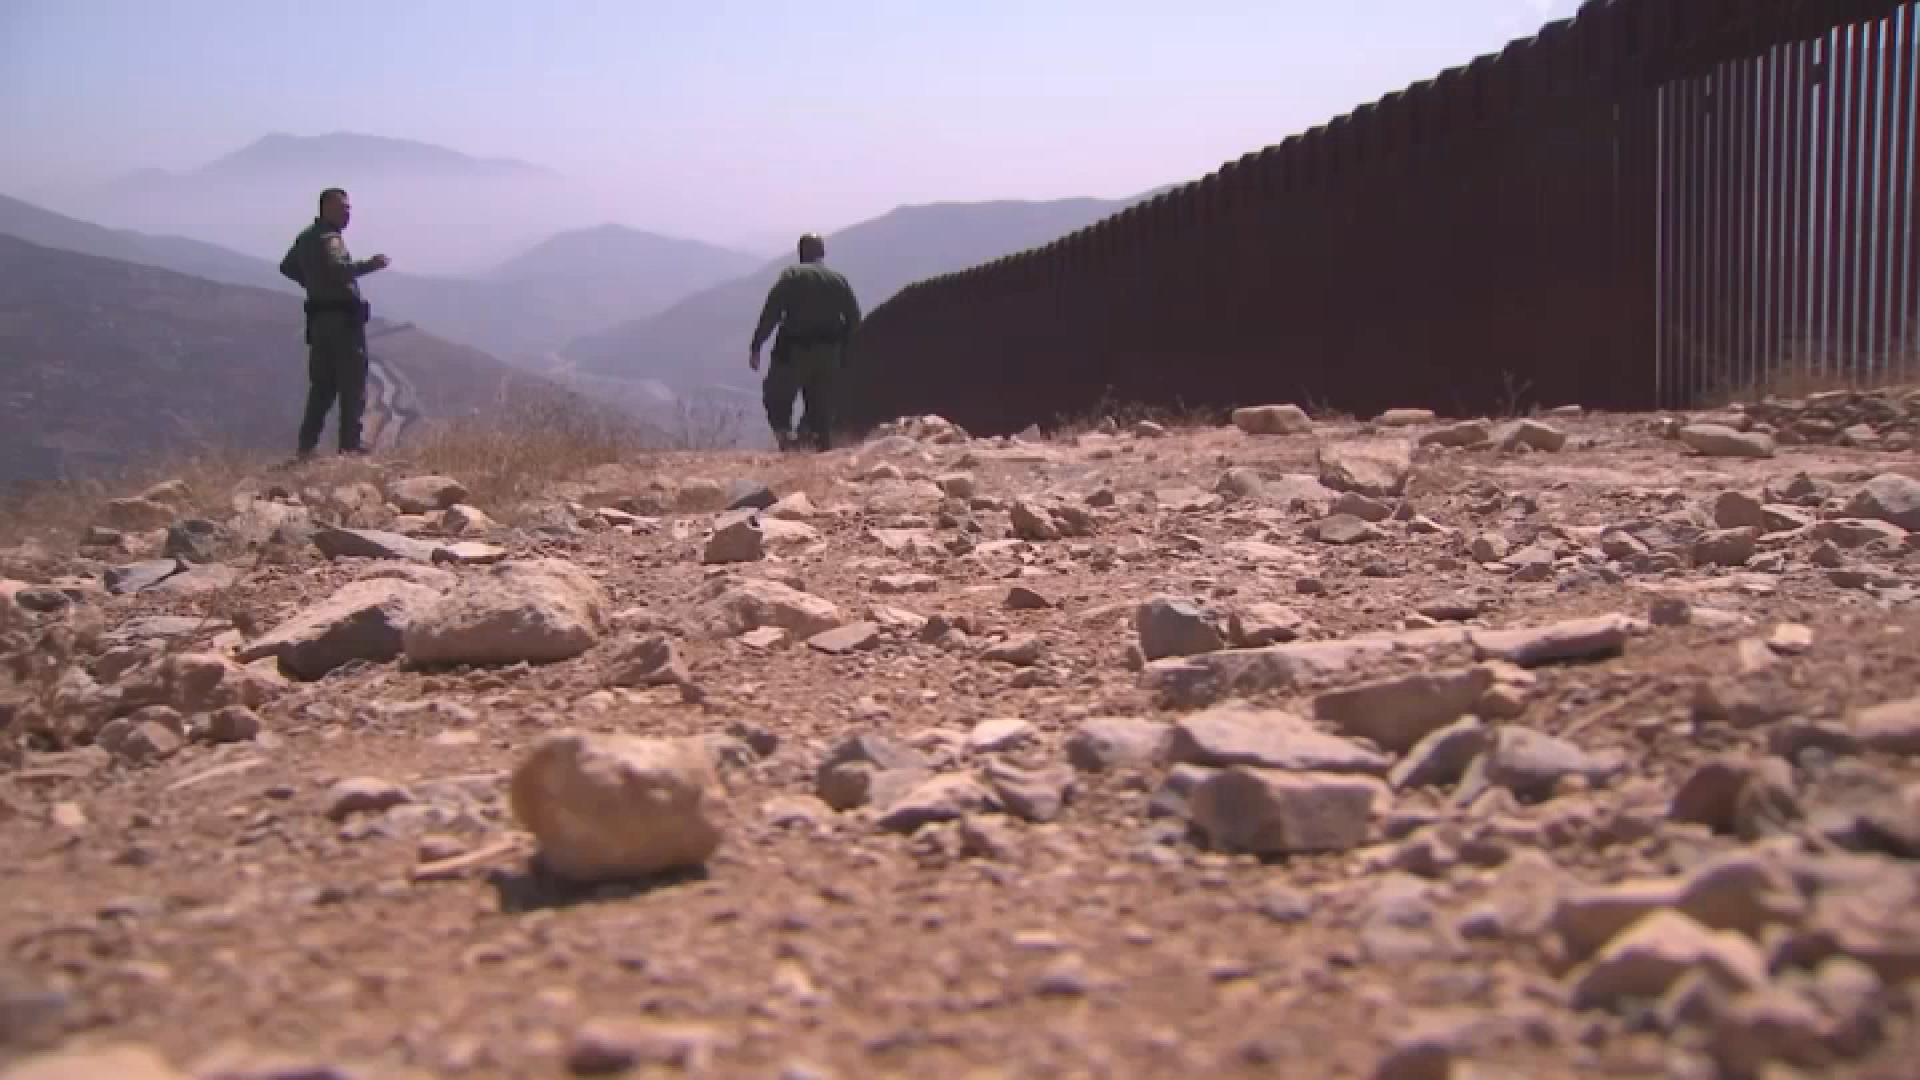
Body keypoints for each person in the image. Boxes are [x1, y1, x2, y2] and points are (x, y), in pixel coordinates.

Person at [278, 187, 390, 460]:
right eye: (342, 208)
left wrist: (313, 283)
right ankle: (350, 447)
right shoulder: (331, 238)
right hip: (343, 323)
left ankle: (307, 446)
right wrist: (370, 265)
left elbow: (287, 267)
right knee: (352, 383)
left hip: (319, 322)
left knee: (322, 387)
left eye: (349, 208)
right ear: (326, 208)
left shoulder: (306, 237)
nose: (347, 214)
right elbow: (339, 268)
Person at [748, 233, 861, 451]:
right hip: (829, 354)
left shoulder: (791, 276)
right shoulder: (838, 280)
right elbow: (854, 319)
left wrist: (756, 346)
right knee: (821, 410)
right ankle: (817, 448)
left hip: (793, 353)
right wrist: (844, 353)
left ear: (801, 252)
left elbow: (771, 314)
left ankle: (787, 439)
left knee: (776, 397)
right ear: (822, 253)